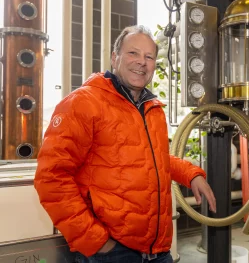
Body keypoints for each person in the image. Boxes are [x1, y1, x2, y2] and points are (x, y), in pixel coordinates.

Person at [34, 25, 217, 263]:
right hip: (112, 251)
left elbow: (153, 159)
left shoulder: (152, 109)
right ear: (115, 57)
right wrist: (95, 240)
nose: (142, 62)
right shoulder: (83, 103)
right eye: (133, 53)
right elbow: (51, 177)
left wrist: (191, 175)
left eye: (149, 56)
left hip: (158, 249)